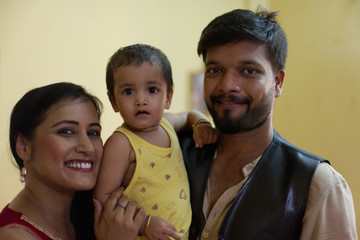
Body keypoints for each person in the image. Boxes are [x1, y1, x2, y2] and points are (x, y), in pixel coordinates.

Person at [178, 7, 358, 240]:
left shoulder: (317, 186)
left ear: (278, 82)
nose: (227, 85)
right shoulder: (175, 153)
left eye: (249, 71)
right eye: (215, 70)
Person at [94, 44, 217, 240]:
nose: (140, 100)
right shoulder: (122, 143)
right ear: (113, 101)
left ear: (168, 97)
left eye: (152, 90)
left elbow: (188, 115)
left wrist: (201, 123)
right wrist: (144, 224)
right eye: (128, 92)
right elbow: (103, 198)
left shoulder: (168, 124)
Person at [0, 82, 146, 240]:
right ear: (23, 146)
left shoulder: (99, 213)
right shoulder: (12, 235)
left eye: (93, 132)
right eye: (67, 131)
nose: (88, 148)